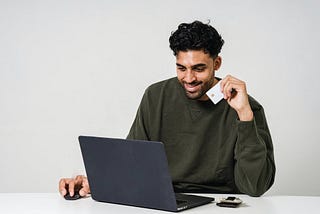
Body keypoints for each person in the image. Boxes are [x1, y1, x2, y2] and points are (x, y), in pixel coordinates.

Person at [59, 20, 275, 198]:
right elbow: (132, 163)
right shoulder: (156, 96)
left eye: (199, 69)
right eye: (182, 68)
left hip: (221, 204)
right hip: (165, 201)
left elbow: (255, 187)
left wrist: (245, 117)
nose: (189, 78)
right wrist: (93, 182)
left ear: (216, 63)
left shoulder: (246, 107)